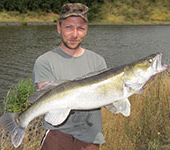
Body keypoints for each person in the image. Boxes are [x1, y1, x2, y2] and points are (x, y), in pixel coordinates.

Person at [33, 3, 107, 150]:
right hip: (57, 136)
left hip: (90, 138)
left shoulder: (98, 61)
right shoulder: (45, 61)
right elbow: (49, 100)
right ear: (59, 28)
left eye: (80, 28)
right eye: (69, 27)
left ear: (86, 30)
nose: (75, 34)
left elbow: (105, 97)